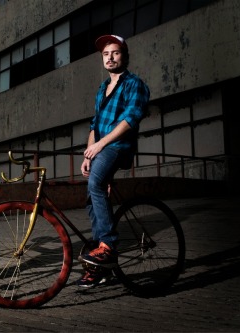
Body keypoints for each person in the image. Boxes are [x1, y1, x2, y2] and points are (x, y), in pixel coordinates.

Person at [77, 35, 150, 288]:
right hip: (101, 147)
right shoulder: (102, 88)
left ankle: (107, 246)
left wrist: (101, 145)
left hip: (118, 146)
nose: (110, 57)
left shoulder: (134, 84)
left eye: (115, 53)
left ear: (124, 56)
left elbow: (130, 119)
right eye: (106, 54)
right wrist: (89, 152)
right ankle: (101, 267)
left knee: (96, 184)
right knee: (92, 192)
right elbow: (95, 125)